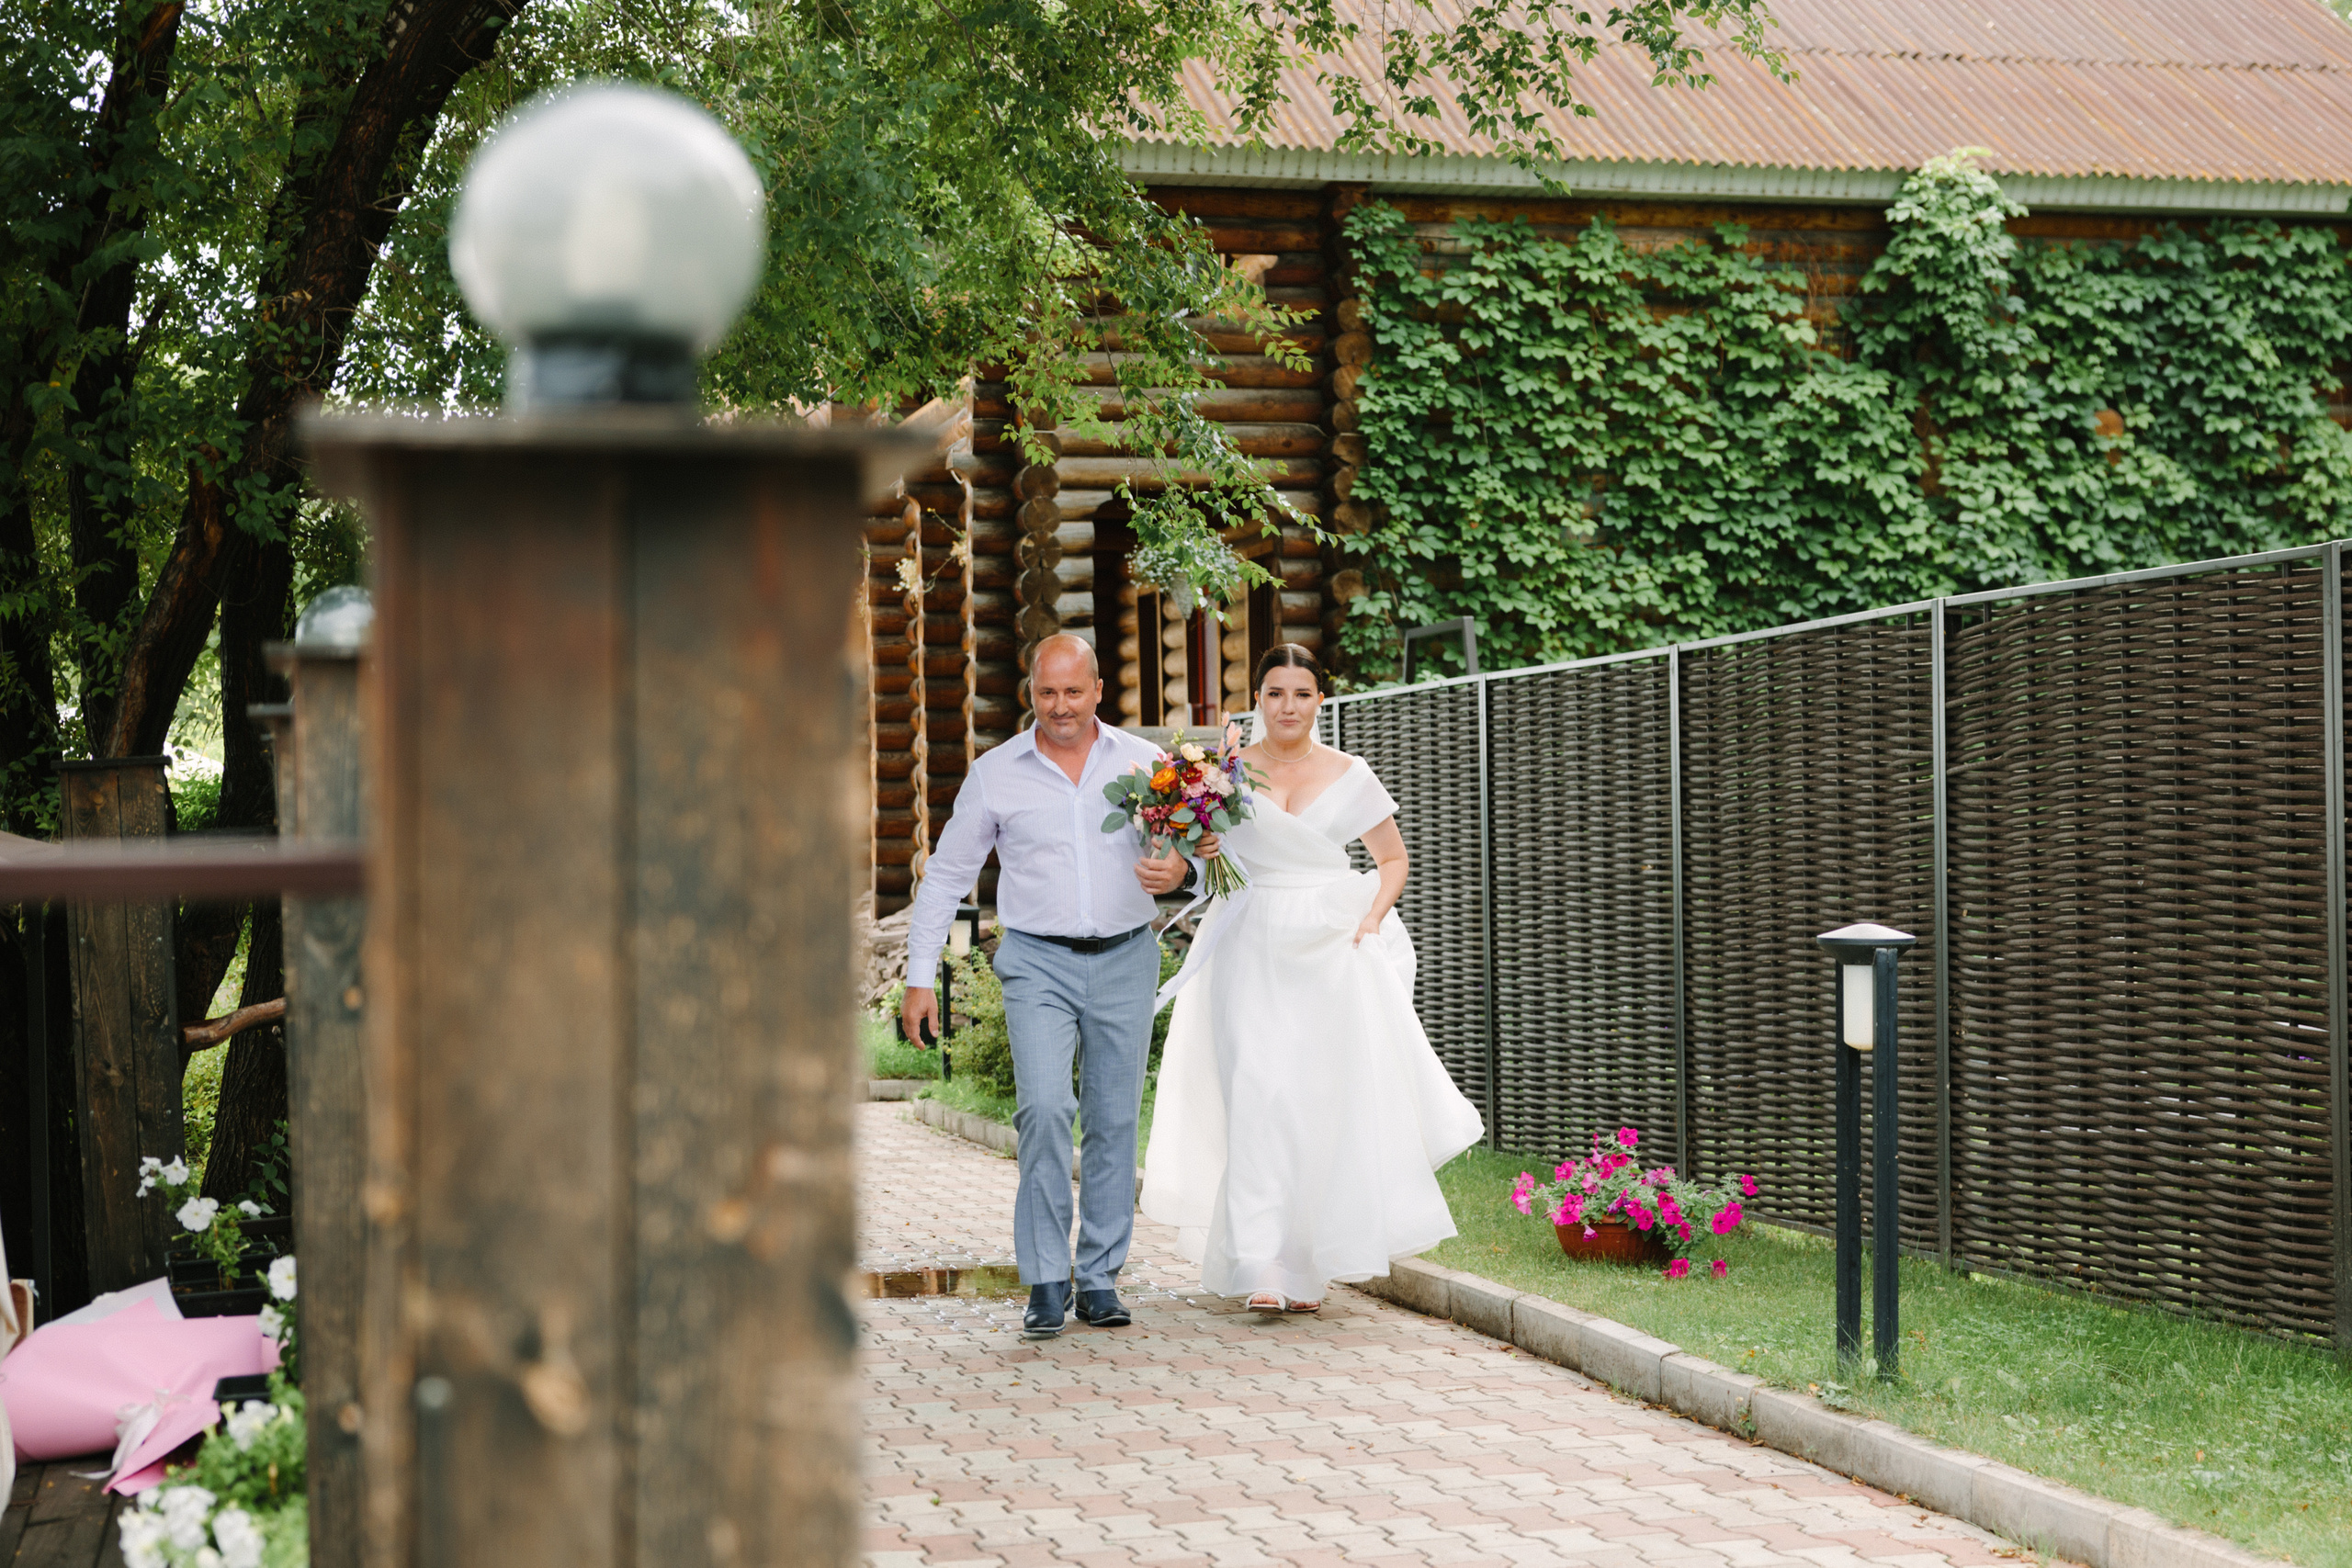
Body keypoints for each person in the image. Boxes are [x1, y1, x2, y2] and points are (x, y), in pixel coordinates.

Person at [1140, 643, 1485, 1313]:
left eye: (1301, 694)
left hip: (1327, 946)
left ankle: (1307, 1263)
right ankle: (1264, 1263)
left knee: (1312, 1102)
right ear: (1258, 699)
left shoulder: (1351, 774)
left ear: (1319, 700)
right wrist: (1205, 849)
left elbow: (1392, 860)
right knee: (1257, 1092)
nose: (1287, 707)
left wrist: (1372, 918)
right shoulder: (1223, 774)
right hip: (1248, 941)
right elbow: (1212, 865)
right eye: (1275, 693)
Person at [902, 634, 1212, 1338]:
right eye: (1048, 692)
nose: (1061, 705)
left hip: (1126, 956)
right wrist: (921, 976)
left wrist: (1182, 872)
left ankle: (1099, 1276)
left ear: (1098, 689)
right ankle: (1046, 1277)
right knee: (1043, 1110)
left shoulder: (1146, 764)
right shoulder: (997, 774)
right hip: (1037, 961)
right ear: (1031, 693)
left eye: (1074, 691)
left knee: (1112, 1119)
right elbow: (948, 875)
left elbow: (1199, 852)